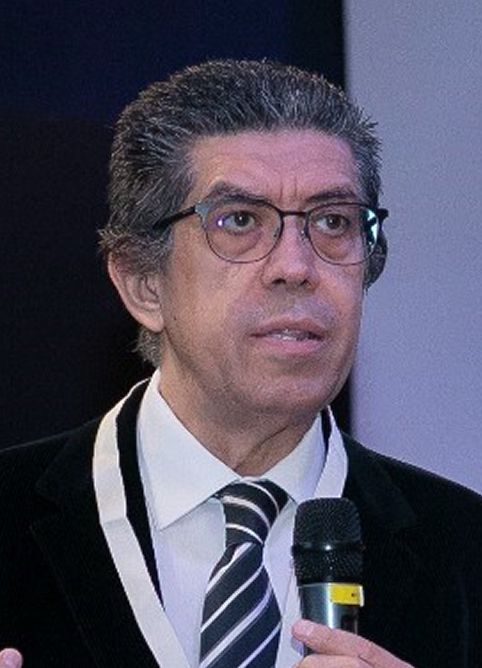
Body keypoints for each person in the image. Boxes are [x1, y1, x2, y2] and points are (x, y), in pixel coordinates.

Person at [0, 59, 481, 668]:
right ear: (144, 283)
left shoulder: (466, 552)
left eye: (332, 222)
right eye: (240, 221)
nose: (296, 266)